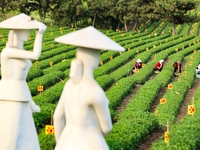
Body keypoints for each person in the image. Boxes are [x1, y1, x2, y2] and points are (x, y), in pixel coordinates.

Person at [53, 26, 125, 150]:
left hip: (66, 142)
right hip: (90, 143)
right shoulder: (95, 91)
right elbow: (106, 127)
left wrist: (61, 143)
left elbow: (57, 116)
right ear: (96, 60)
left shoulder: (69, 84)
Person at [0, 13, 46, 150]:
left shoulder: (20, 51)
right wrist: (40, 34)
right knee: (10, 134)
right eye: (25, 30)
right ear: (16, 32)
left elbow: (22, 81)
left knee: (25, 135)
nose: (28, 33)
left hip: (22, 96)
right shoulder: (7, 52)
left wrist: (31, 102)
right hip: (9, 96)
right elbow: (35, 55)